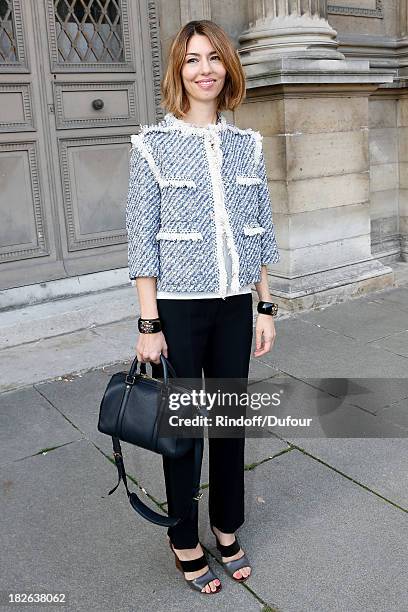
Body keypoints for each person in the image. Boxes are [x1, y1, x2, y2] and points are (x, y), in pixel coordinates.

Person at [126, 19, 280, 595]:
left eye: (214, 58)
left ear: (228, 68)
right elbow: (141, 237)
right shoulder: (152, 146)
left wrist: (265, 305)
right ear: (179, 71)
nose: (205, 69)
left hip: (234, 304)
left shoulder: (248, 144)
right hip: (179, 310)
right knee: (186, 428)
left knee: (230, 424)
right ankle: (184, 535)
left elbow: (258, 229)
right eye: (193, 59)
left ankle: (226, 524)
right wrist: (149, 323)